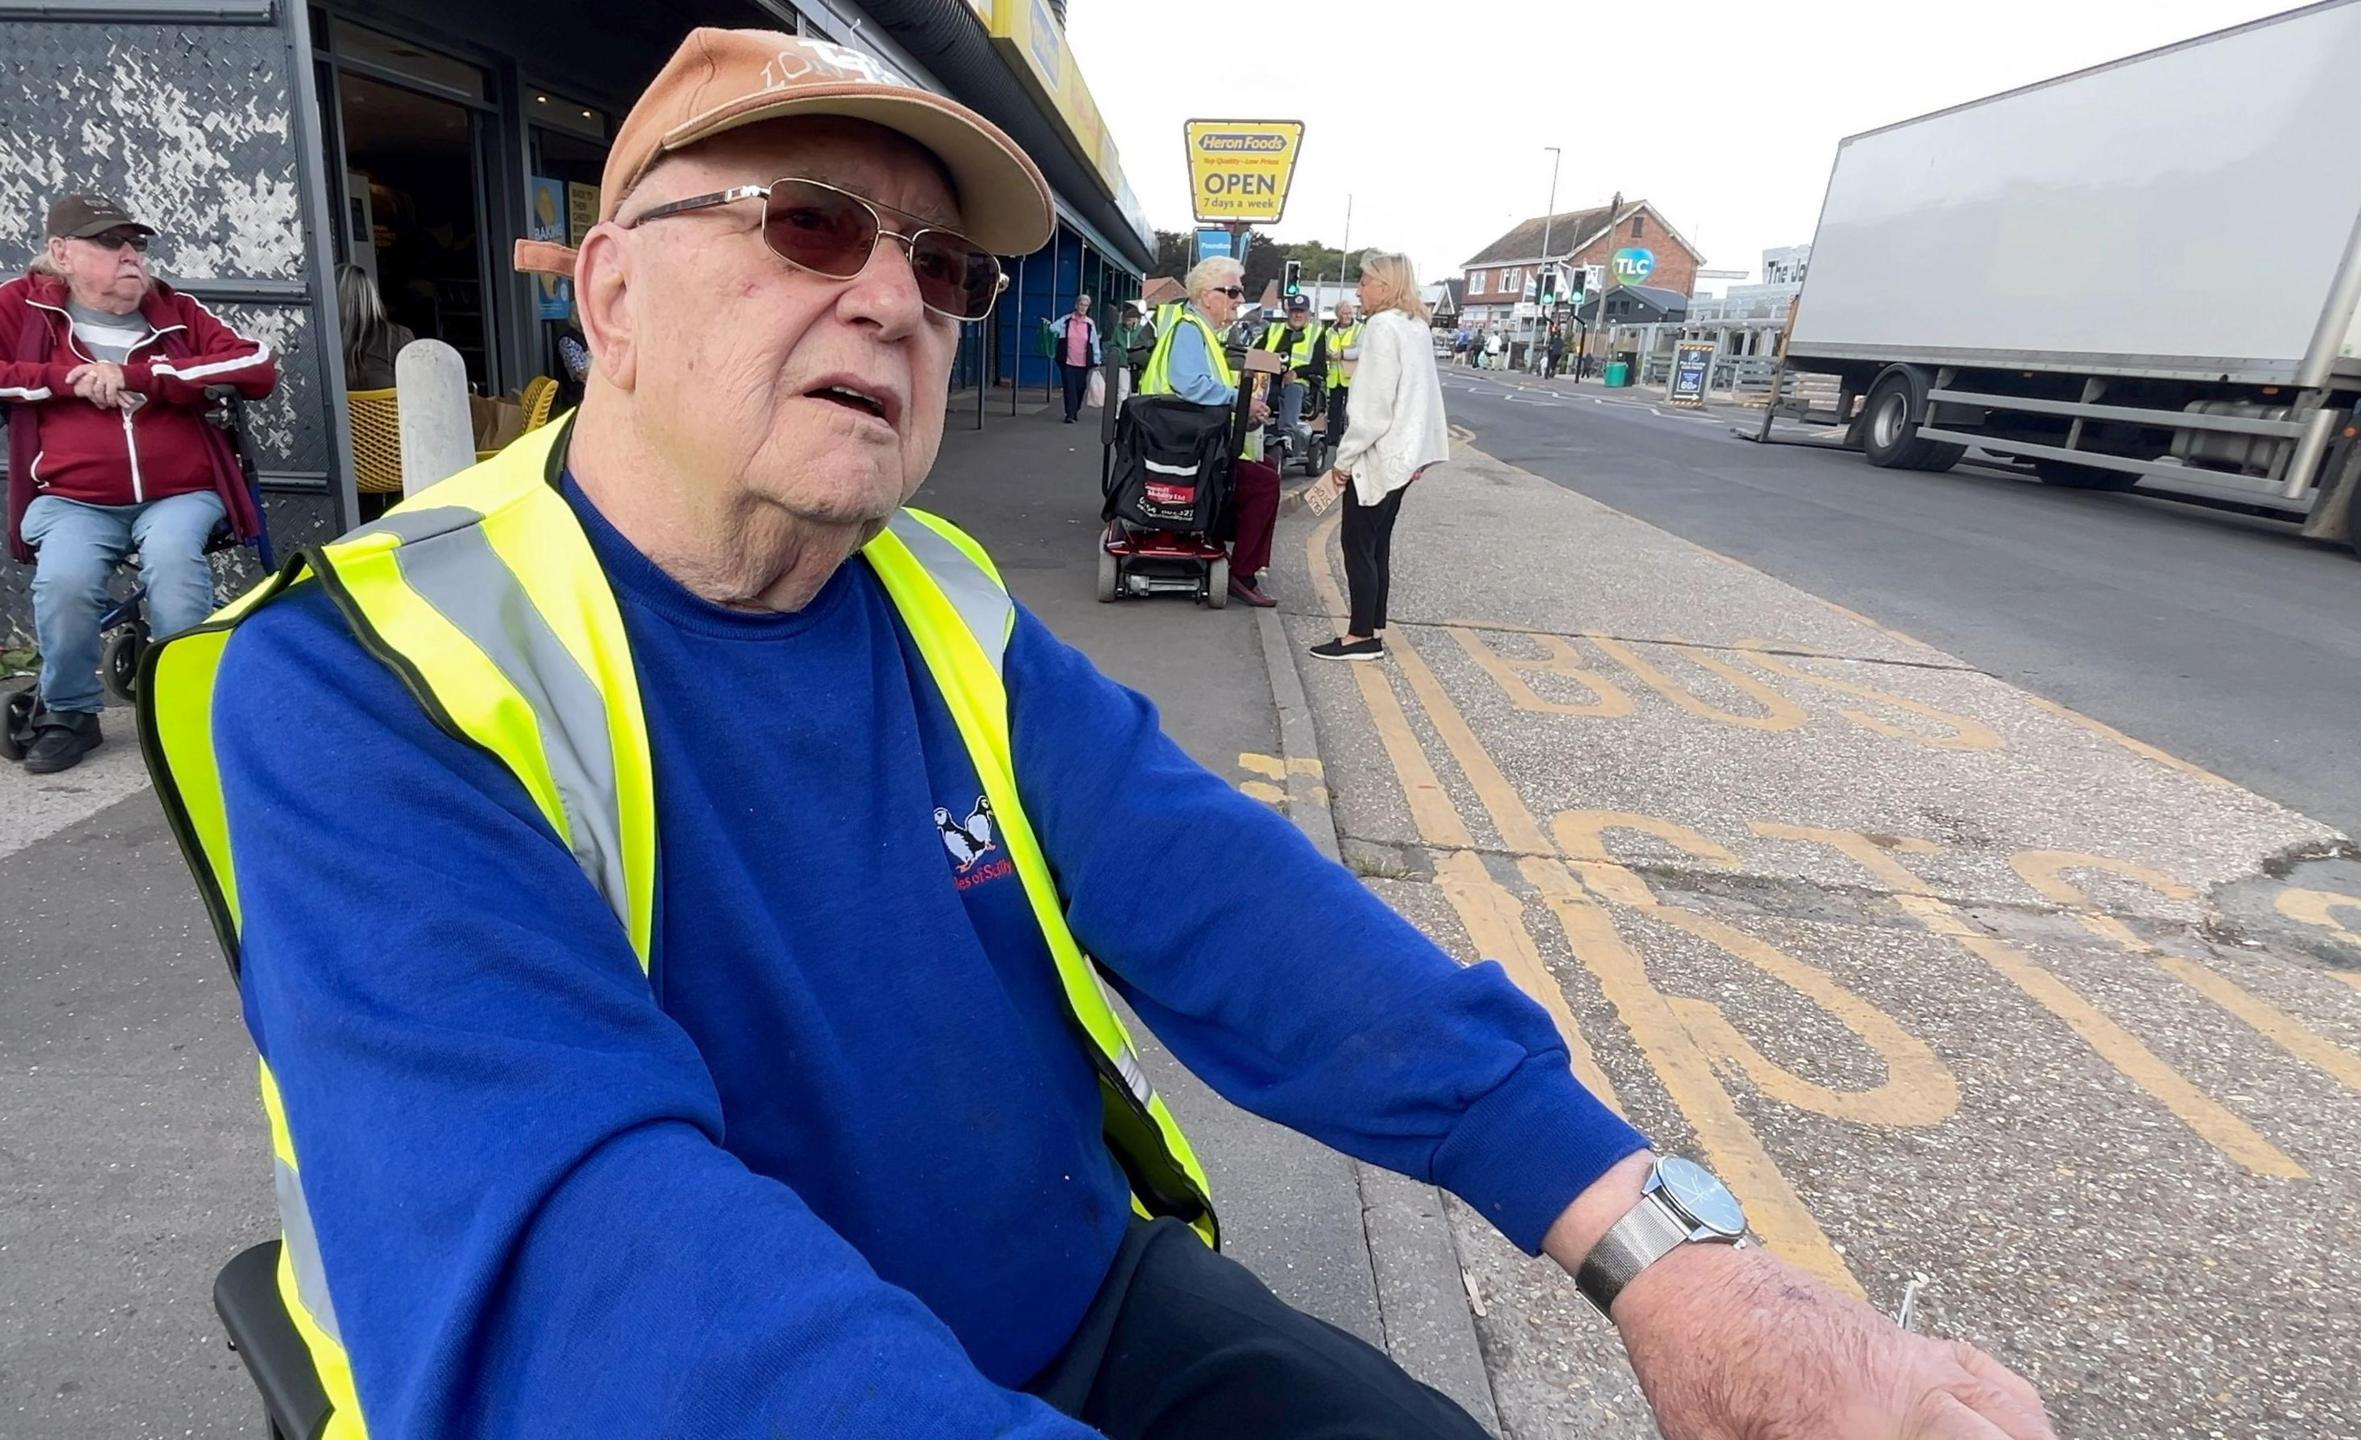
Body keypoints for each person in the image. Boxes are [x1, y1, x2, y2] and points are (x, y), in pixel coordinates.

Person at [140, 29, 2052, 1440]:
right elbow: (588, 1249)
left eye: (941, 265)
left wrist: (1665, 1250)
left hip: (1074, 1306)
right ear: (614, 299)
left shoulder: (932, 592)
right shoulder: (360, 674)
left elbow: (1237, 906)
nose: (895, 295)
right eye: (811, 224)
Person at [1, 193, 276, 774]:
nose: (130, 255)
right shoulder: (21, 307)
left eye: (136, 244)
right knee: (65, 582)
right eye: (108, 242)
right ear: (61, 253)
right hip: (73, 498)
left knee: (175, 563)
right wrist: (66, 381)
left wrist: (139, 376)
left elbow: (255, 364)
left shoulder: (175, 309)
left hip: (180, 493)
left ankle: (185, 704)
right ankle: (71, 713)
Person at [1308, 254, 1447, 663]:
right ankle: (1374, 623)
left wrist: (1343, 460)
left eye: (1365, 281)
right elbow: (1424, 397)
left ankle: (1360, 637)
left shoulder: (1382, 327)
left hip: (1380, 454)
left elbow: (1372, 406)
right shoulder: (1415, 325)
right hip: (1405, 454)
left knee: (1357, 542)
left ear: (1385, 287)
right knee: (1377, 543)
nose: (1358, 290)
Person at [1139, 256, 1282, 608]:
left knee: (1263, 470)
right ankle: (1243, 574)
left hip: (1180, 444)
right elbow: (1189, 385)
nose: (1238, 299)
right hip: (1183, 453)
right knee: (1265, 483)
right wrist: (1240, 400)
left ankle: (1234, 552)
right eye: (1232, 291)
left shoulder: (1198, 330)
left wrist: (1243, 410)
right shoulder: (1190, 330)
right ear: (1206, 296)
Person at [1258, 294, 1325, 457]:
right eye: (1294, 311)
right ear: (1288, 312)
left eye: (1301, 311)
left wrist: (1297, 372)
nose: (1298, 315)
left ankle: (1287, 434)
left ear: (1308, 313)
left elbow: (1320, 367)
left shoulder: (1316, 333)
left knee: (1292, 389)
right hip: (1270, 380)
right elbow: (1257, 353)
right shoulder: (1273, 330)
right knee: (1250, 389)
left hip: (1299, 385)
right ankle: (1247, 430)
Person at [336, 263, 416, 391]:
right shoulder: (401, 336)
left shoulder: (324, 347)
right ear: (372, 295)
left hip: (347, 411)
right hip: (390, 410)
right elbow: (418, 386)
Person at [1320, 299, 1362, 448]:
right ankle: (1333, 438)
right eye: (1344, 313)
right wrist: (1328, 354)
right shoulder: (1330, 331)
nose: (1347, 316)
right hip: (1335, 377)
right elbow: (1324, 348)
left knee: (1352, 409)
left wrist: (1343, 354)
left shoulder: (1359, 329)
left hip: (1352, 376)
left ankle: (1351, 439)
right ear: (1338, 314)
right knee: (1334, 410)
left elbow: (1361, 350)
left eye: (1349, 312)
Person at [1053, 292, 1099, 424]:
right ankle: (1070, 414)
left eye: (1086, 305)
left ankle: (1075, 409)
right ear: (1076, 305)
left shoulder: (1090, 324)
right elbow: (1052, 329)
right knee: (1069, 388)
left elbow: (1094, 342)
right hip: (1068, 361)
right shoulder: (1066, 320)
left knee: (1080, 388)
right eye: (1081, 304)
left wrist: (1096, 358)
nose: (1083, 307)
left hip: (1083, 362)